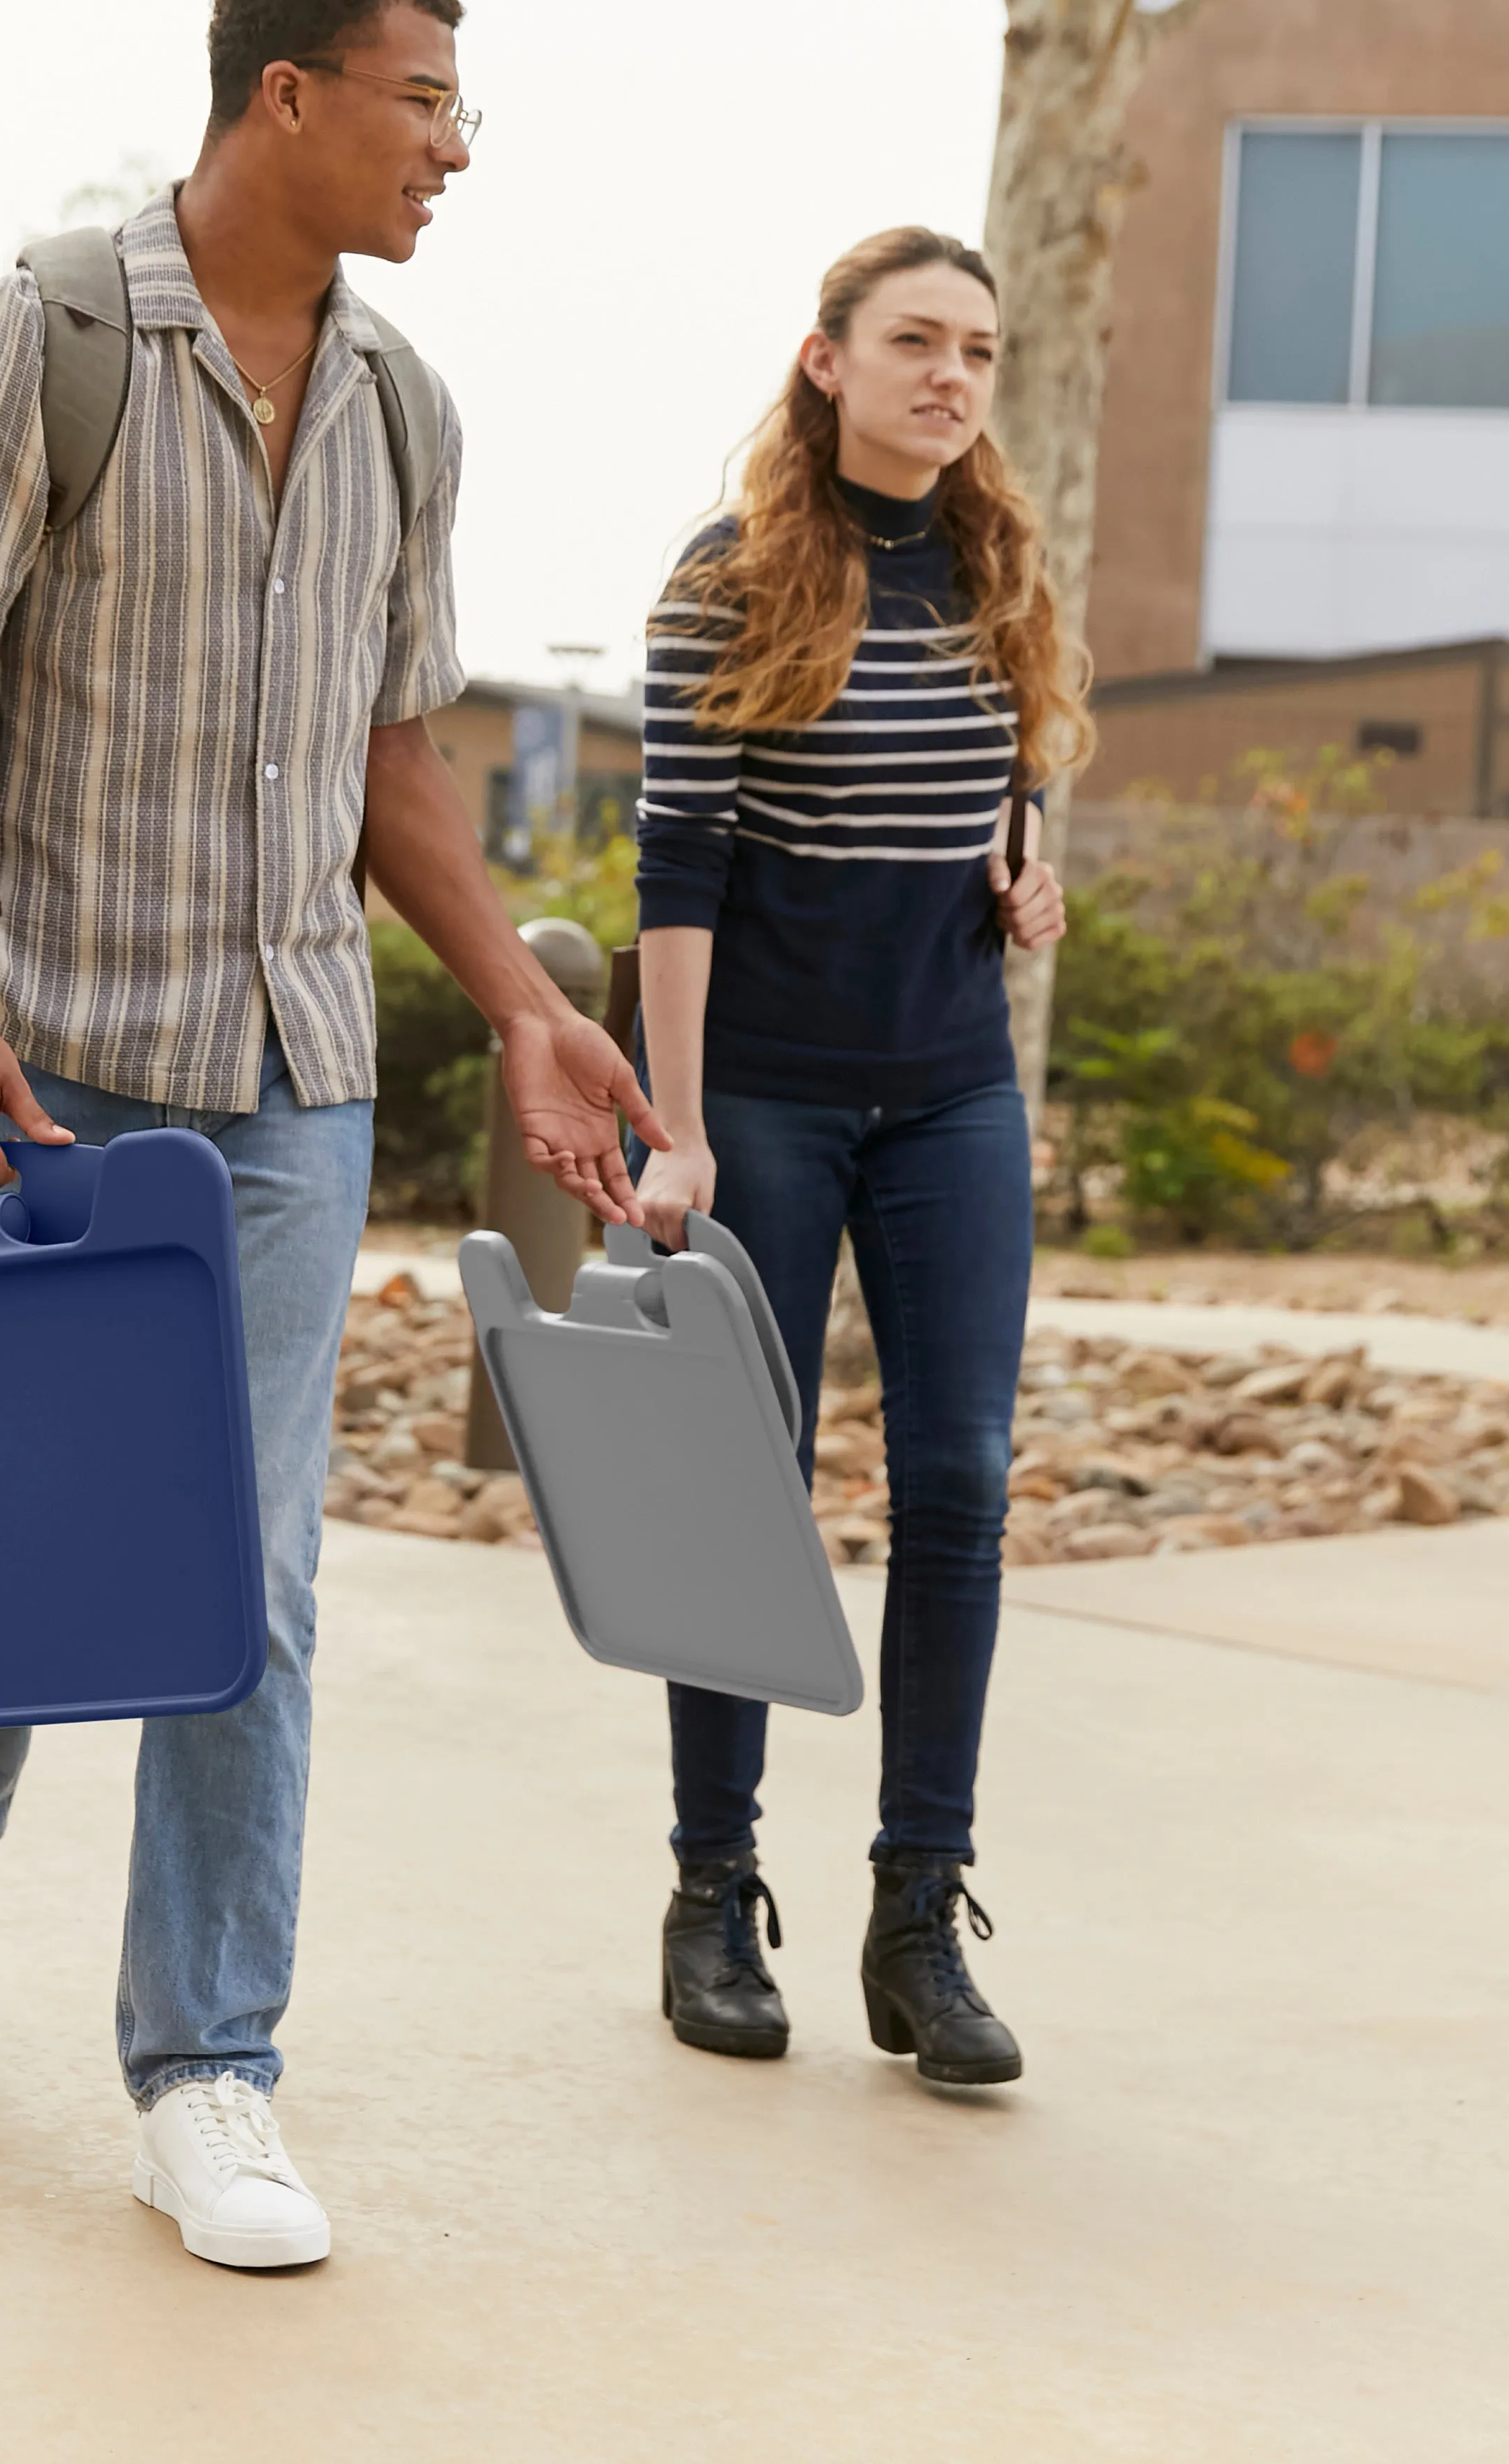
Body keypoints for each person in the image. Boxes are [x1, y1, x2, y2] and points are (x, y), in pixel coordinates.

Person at [0, 0, 661, 2271]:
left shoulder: (407, 404)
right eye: (425, 103)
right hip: (61, 1052)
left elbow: (397, 765)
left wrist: (511, 993)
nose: (454, 153)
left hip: (292, 1080)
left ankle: (208, 2068)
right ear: (285, 94)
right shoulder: (49, 341)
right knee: (22, 1542)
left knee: (246, 1575)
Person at [628, 224, 1090, 2083]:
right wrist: (674, 1131)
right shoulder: (725, 578)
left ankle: (921, 1915)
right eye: (914, 340)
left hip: (955, 1090)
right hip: (762, 1095)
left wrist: (1029, 872)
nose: (951, 376)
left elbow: (1008, 792)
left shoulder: (998, 567)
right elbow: (680, 869)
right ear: (827, 360)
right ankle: (714, 1889)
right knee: (740, 1491)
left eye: (976, 349)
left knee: (961, 1484)